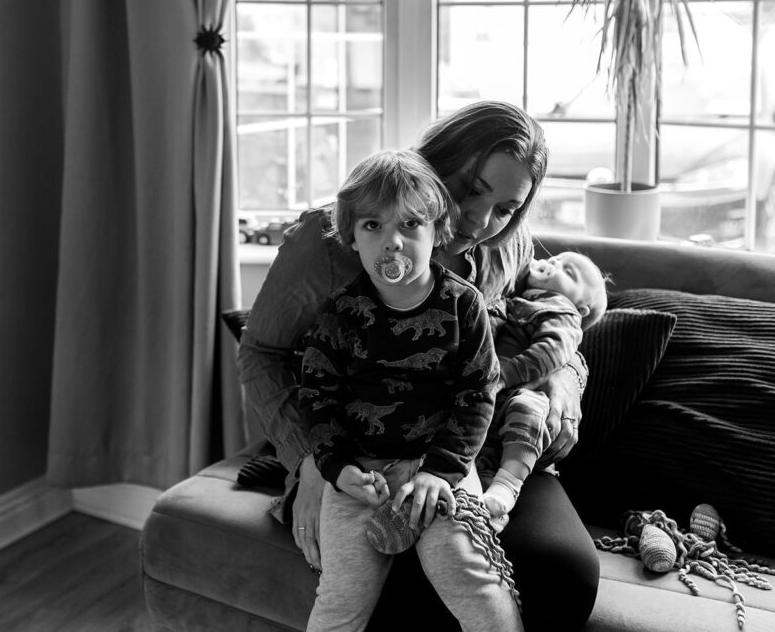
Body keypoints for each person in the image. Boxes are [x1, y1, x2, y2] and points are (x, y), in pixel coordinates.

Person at [238, 100, 600, 631]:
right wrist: (312, 462)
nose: (481, 220)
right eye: (472, 188)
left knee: (566, 569)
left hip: (471, 445)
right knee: (382, 578)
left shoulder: (507, 244)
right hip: (352, 447)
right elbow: (261, 354)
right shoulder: (328, 240)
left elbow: (554, 319)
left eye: (506, 207)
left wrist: (567, 380)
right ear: (433, 159)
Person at [299, 148, 519, 631]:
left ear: (438, 231)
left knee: (469, 576)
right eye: (373, 226)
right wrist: (337, 469)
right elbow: (317, 397)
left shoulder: (464, 306)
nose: (391, 243)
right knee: (339, 597)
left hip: (438, 468)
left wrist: (442, 471)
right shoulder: (341, 312)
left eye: (410, 225)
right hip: (359, 474)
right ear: (352, 236)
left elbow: (479, 394)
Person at [480, 251, 608, 521]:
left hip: (518, 391)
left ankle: (507, 485)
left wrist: (503, 375)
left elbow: (552, 351)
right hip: (489, 394)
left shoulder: (561, 310)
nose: (553, 264)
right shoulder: (520, 295)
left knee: (529, 408)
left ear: (580, 308)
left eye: (568, 272)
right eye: (555, 259)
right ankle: (489, 508)